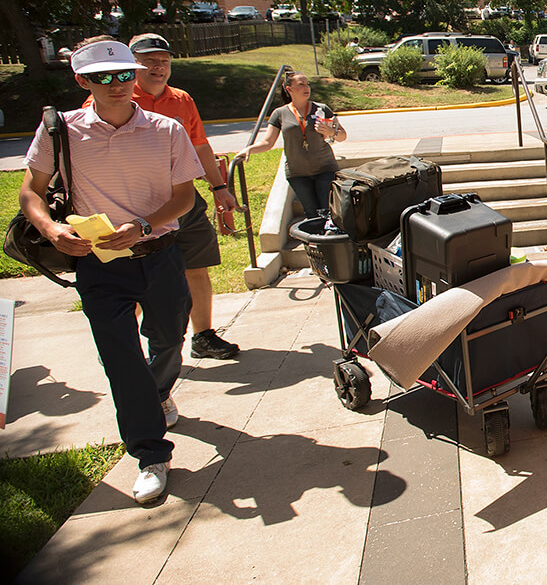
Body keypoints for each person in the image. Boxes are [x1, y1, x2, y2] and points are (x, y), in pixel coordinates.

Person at [20, 36, 204, 504]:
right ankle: (150, 454)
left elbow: (185, 197)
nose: (118, 84)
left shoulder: (165, 129)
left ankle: (156, 390)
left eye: (124, 73)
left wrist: (143, 223)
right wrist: (51, 229)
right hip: (99, 265)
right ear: (83, 80)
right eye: (103, 77)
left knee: (168, 339)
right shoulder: (60, 130)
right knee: (122, 361)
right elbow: (31, 193)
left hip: (158, 255)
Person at [84, 33, 241, 362]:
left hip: (183, 198)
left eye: (164, 62)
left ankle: (203, 336)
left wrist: (219, 187)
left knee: (196, 266)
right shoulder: (114, 96)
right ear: (133, 66)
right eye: (149, 62)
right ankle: (124, 343)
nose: (159, 68)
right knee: (140, 276)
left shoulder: (181, 99)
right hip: (133, 206)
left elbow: (200, 145)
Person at [235, 71, 347, 218]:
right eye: (301, 85)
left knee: (328, 211)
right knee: (311, 213)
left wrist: (331, 131)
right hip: (297, 173)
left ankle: (329, 238)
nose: (307, 88)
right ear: (289, 89)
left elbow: (343, 136)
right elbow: (267, 142)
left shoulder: (321, 109)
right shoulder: (279, 114)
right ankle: (315, 240)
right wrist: (249, 149)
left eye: (308, 84)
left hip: (325, 168)